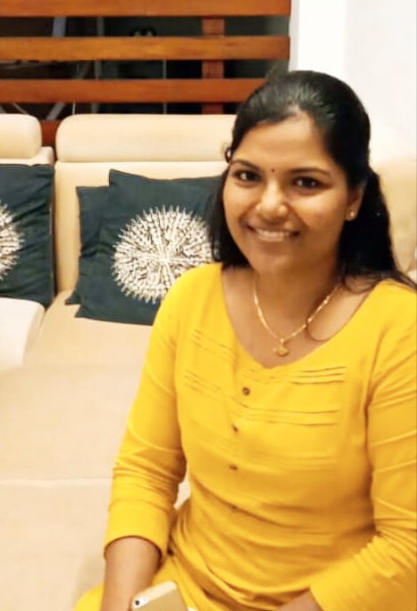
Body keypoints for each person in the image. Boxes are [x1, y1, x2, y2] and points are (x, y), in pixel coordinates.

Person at [74, 70, 417, 611]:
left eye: (306, 183)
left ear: (354, 197)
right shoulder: (191, 298)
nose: (270, 205)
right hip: (186, 586)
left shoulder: (400, 331)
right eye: (248, 175)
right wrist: (122, 605)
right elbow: (147, 472)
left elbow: (408, 549)